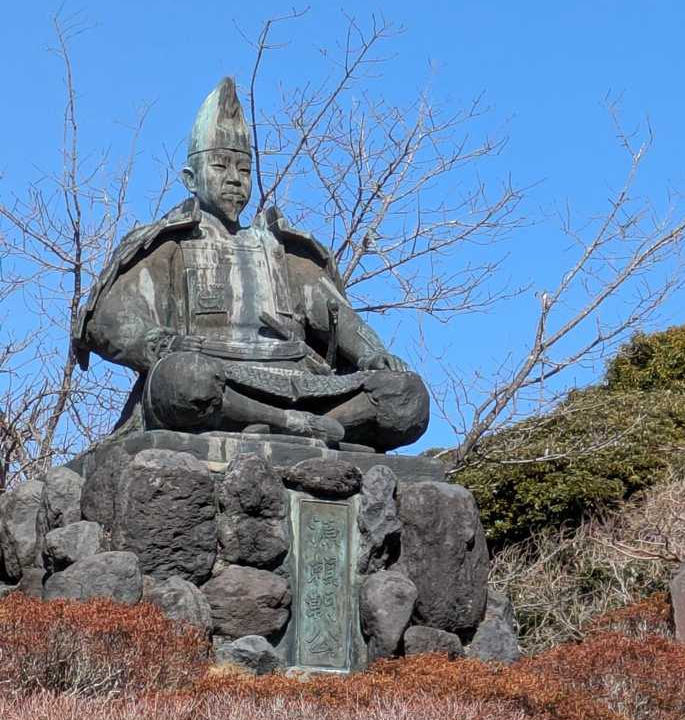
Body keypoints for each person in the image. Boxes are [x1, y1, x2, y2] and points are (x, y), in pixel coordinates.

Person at [74, 78, 430, 449]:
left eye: (244, 171)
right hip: (217, 380)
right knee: (181, 381)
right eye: (220, 166)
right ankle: (290, 425)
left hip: (301, 384)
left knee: (405, 394)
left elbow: (339, 317)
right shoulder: (170, 244)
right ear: (190, 179)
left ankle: (302, 423)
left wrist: (372, 353)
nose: (234, 179)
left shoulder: (284, 250)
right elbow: (109, 321)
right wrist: (164, 343)